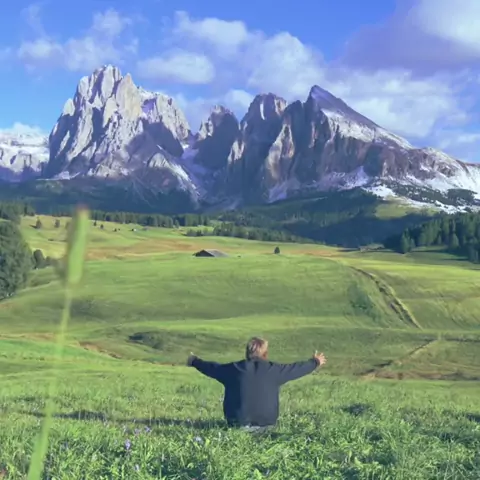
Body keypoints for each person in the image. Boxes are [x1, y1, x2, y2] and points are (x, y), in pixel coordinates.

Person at [187, 337, 327, 432]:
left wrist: (194, 361)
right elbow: (297, 368)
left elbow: (210, 367)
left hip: (237, 426)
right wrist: (315, 362)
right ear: (265, 354)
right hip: (267, 426)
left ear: (247, 353)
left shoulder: (233, 369)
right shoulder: (275, 370)